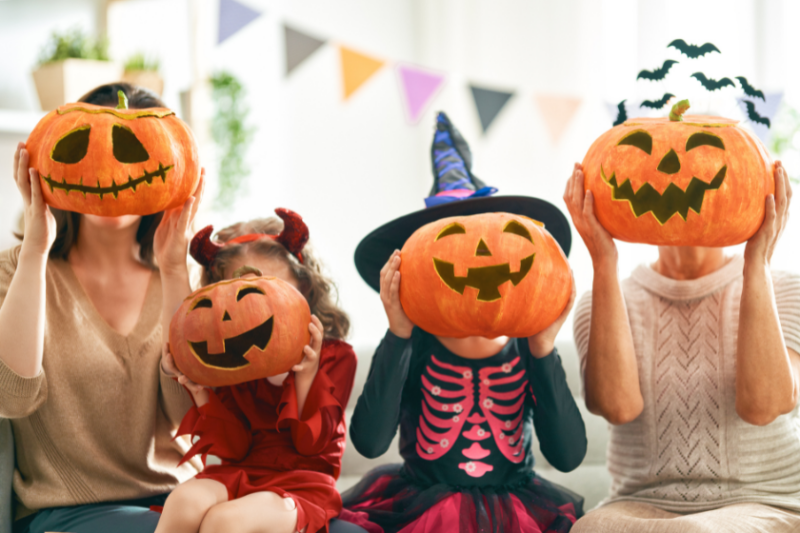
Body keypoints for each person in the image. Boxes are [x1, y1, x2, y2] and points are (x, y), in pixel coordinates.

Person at [340, 112, 586, 533]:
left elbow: (567, 456)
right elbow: (370, 442)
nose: (477, 259)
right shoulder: (414, 345)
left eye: (497, 241)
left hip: (518, 506)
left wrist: (543, 349)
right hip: (418, 503)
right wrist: (398, 332)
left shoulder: (529, 346)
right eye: (453, 243)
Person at [0, 82, 203, 533]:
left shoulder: (183, 275)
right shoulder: (15, 270)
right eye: (84, 145)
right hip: (69, 512)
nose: (107, 167)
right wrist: (35, 250)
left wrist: (174, 271)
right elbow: (10, 397)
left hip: (184, 503)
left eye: (132, 148)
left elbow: (192, 419)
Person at [565, 161, 800, 532]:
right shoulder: (603, 297)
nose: (677, 174)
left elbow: (764, 405)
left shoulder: (785, 289)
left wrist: (757, 262)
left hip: (764, 500)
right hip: (638, 504)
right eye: (663, 164)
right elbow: (617, 406)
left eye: (703, 165)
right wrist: (603, 261)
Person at [154, 210, 357, 533]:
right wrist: (200, 389)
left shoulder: (336, 356)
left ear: (302, 287)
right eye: (239, 295)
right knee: (183, 501)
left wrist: (305, 376)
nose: (255, 310)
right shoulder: (232, 362)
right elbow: (233, 448)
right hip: (241, 470)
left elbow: (311, 447)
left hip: (302, 482)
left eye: (267, 289)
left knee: (225, 522)